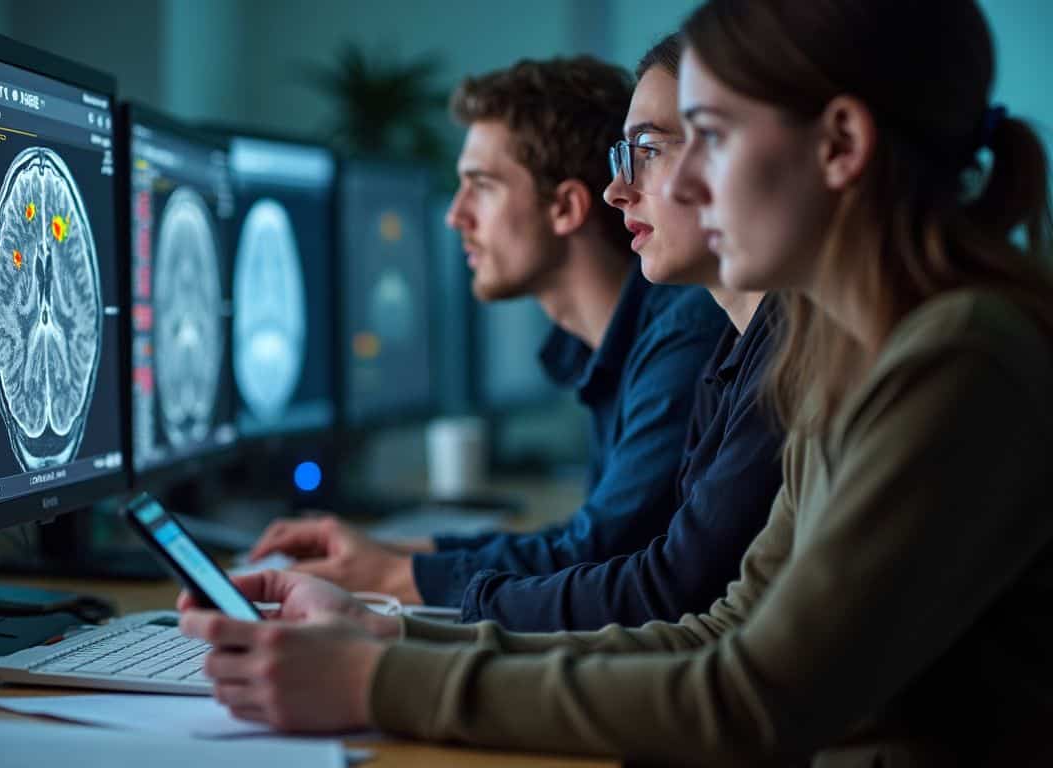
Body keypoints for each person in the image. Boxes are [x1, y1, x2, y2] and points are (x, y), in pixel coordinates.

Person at [181, 1, 1053, 763]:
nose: (683, 184)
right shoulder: (837, 354)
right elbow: (724, 632)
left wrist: (379, 682)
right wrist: (390, 637)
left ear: (842, 144)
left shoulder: (960, 360)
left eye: (709, 137)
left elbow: (753, 701)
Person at [249, 57, 727, 607]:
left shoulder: (686, 332)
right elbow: (584, 538)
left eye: (481, 186)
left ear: (567, 207)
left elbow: (599, 550)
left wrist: (387, 578)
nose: (455, 215)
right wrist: (399, 553)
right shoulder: (623, 341)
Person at [461, 33, 783, 632]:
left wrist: (421, 611)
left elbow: (664, 584)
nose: (618, 190)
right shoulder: (729, 353)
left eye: (650, 149)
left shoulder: (724, 342)